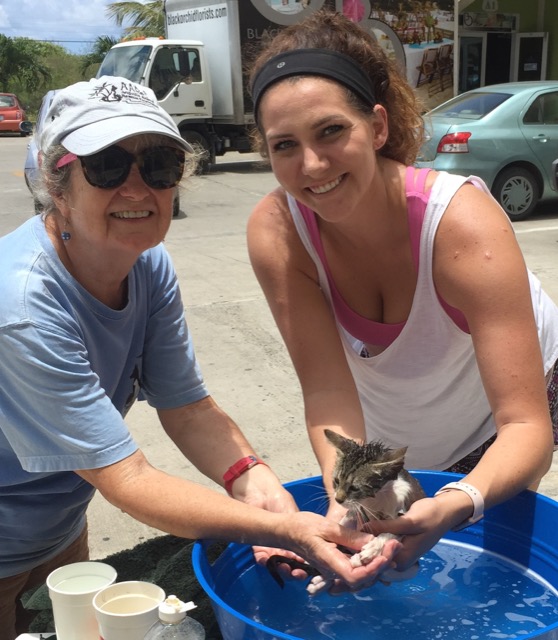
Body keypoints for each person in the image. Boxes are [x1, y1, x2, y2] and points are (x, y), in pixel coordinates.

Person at [0, 76, 391, 640]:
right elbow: (127, 477)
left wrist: (262, 493)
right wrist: (284, 532)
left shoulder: (146, 264)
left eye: (157, 165)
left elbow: (186, 407)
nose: (137, 191)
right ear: (56, 182)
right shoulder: (24, 304)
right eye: (107, 166)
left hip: (58, 525)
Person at [246, 10, 558, 584]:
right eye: (285, 145)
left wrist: (461, 498)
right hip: (399, 420)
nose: (311, 165)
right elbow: (327, 391)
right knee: (385, 547)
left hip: (507, 408)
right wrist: (347, 510)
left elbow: (526, 426)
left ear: (379, 126)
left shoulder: (462, 226)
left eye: (331, 131)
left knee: (481, 546)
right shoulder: (278, 232)